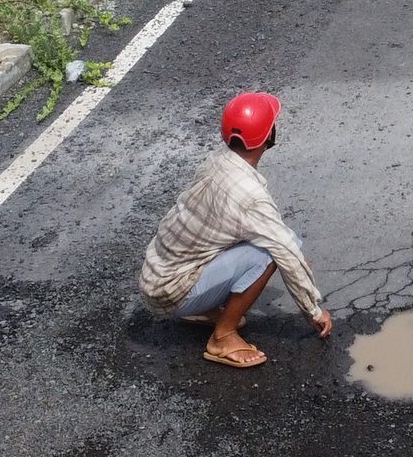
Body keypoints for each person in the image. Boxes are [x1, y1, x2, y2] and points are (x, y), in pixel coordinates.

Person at [138, 91, 332, 368]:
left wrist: (295, 258)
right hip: (173, 292)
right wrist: (313, 311)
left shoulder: (217, 160)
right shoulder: (250, 197)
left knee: (283, 240)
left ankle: (206, 310)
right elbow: (284, 251)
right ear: (268, 137)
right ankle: (222, 336)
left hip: (157, 277)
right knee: (271, 252)